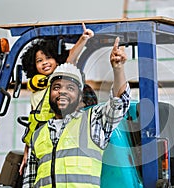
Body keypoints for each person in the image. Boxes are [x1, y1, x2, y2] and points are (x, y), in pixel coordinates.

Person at [22, 37, 130, 187]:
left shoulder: (93, 122)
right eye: (57, 87)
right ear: (49, 94)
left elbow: (119, 103)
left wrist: (118, 70)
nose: (62, 92)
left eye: (70, 88)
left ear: (80, 97)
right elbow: (29, 182)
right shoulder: (38, 135)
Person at [19, 23, 95, 174]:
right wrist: (27, 150)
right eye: (39, 61)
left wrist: (83, 39)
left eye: (48, 58)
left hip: (60, 135)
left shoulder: (60, 80)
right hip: (42, 140)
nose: (45, 63)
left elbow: (71, 59)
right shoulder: (36, 91)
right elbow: (33, 123)